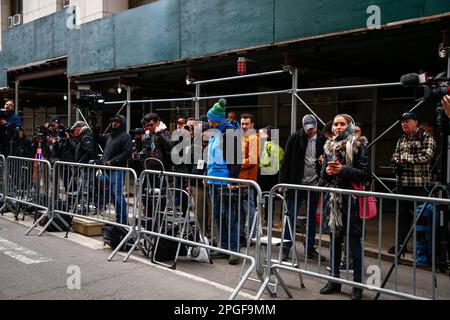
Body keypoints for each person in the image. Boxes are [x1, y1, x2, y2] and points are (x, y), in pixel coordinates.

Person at [319, 114, 371, 300]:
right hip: (333, 202)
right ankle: (334, 280)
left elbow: (366, 174)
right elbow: (322, 177)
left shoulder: (359, 144)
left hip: (352, 202)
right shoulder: (329, 146)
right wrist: (326, 171)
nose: (338, 127)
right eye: (335, 124)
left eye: (342, 124)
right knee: (334, 242)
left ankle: (357, 286)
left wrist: (343, 170)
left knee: (354, 243)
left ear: (350, 125)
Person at [279, 114, 327, 262]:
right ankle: (285, 248)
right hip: (296, 183)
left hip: (313, 183)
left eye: (312, 129)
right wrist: (283, 183)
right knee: (291, 215)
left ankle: (310, 248)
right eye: (307, 129)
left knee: (312, 217)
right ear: (303, 126)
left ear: (316, 126)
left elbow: (326, 160)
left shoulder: (322, 140)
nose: (310, 131)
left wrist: (322, 163)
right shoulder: (295, 138)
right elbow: (286, 160)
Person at [389, 112, 436, 254]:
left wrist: (404, 158)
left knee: (423, 216)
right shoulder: (401, 138)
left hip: (419, 184)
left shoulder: (426, 137)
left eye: (407, 121)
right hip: (403, 183)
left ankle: (423, 249)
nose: (404, 124)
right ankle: (400, 246)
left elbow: (426, 156)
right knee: (402, 217)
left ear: (415, 122)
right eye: (402, 122)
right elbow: (394, 156)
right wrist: (397, 160)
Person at [206, 98, 241, 265]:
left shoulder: (229, 132)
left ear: (217, 120)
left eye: (210, 118)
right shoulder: (217, 133)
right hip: (214, 179)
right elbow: (211, 156)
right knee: (218, 215)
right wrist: (207, 174)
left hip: (224, 180)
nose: (208, 120)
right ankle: (223, 247)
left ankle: (234, 250)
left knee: (228, 215)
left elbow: (235, 159)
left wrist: (232, 180)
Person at [96, 115, 132, 225]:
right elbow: (97, 139)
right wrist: (94, 129)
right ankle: (119, 219)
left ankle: (123, 221)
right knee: (112, 196)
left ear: (122, 123)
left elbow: (127, 153)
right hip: (107, 170)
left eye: (117, 121)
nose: (114, 123)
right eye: (113, 121)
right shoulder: (109, 136)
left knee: (118, 196)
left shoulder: (125, 137)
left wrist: (112, 161)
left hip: (116, 170)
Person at [238, 113, 259, 246]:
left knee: (249, 209)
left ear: (252, 125)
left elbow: (252, 160)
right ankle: (242, 235)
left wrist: (236, 163)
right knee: (240, 209)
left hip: (247, 180)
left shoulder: (253, 138)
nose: (244, 126)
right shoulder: (242, 137)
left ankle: (251, 236)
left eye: (246, 124)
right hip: (239, 179)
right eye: (242, 124)